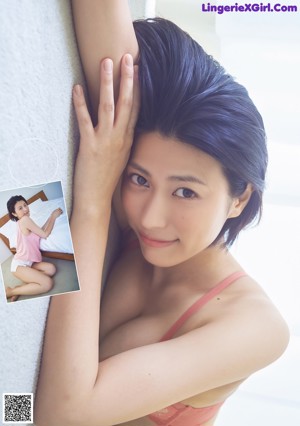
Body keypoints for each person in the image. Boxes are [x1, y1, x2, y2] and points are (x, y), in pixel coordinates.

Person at [34, 1, 289, 425]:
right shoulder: (139, 201)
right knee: (23, 213)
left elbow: (59, 416)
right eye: (139, 179)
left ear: (239, 198)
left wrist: (94, 205)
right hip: (17, 401)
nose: (151, 217)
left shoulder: (258, 329)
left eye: (186, 192)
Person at [5, 195, 62, 301]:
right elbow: (44, 234)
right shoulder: (24, 220)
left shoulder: (26, 220)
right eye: (20, 208)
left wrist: (50, 217)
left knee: (51, 269)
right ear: (14, 213)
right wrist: (54, 217)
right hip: (19, 265)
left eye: (25, 205)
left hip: (30, 263)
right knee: (47, 283)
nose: (25, 209)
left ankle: (20, 288)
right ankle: (11, 291)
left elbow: (40, 231)